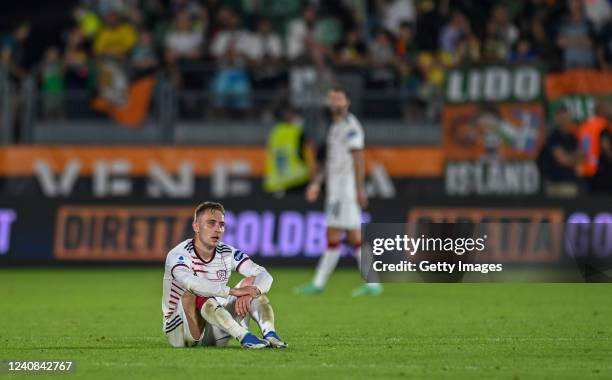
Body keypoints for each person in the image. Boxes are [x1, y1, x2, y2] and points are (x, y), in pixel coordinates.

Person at [162, 201, 288, 349]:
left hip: (215, 324)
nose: (218, 229)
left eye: (221, 225)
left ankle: (271, 335)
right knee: (195, 292)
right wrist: (234, 291)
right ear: (196, 226)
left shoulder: (227, 252)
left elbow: (265, 275)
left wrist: (250, 292)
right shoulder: (179, 254)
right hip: (181, 332)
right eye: (211, 223)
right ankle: (243, 336)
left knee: (253, 285)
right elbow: (190, 283)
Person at [296, 87, 382, 297]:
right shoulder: (335, 127)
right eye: (332, 99)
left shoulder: (351, 126)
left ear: (347, 102)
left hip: (345, 190)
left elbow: (359, 158)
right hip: (336, 190)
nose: (335, 103)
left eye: (339, 99)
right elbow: (330, 163)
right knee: (350, 236)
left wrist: (360, 189)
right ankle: (371, 283)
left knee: (338, 235)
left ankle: (319, 283)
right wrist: (316, 183)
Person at [264, 105, 315, 196]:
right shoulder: (297, 132)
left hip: (277, 181)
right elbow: (307, 152)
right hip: (298, 178)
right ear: (291, 116)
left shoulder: (275, 132)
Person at [537, 106, 582, 197]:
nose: (564, 121)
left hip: (571, 182)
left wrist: (571, 158)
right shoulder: (553, 137)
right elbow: (563, 159)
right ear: (557, 120)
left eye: (566, 118)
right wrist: (573, 158)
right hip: (557, 183)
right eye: (561, 119)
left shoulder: (572, 137)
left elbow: (582, 157)